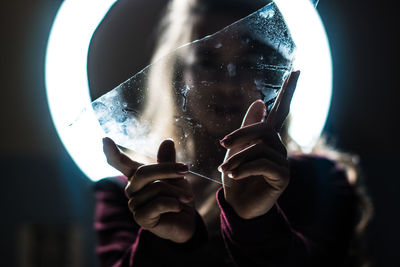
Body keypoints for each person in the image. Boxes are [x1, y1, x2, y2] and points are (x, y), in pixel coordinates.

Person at [93, 0, 372, 266]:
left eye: (250, 61)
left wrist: (257, 221)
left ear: (276, 72)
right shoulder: (131, 195)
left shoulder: (318, 179)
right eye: (207, 61)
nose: (228, 84)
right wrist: (164, 240)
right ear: (177, 73)